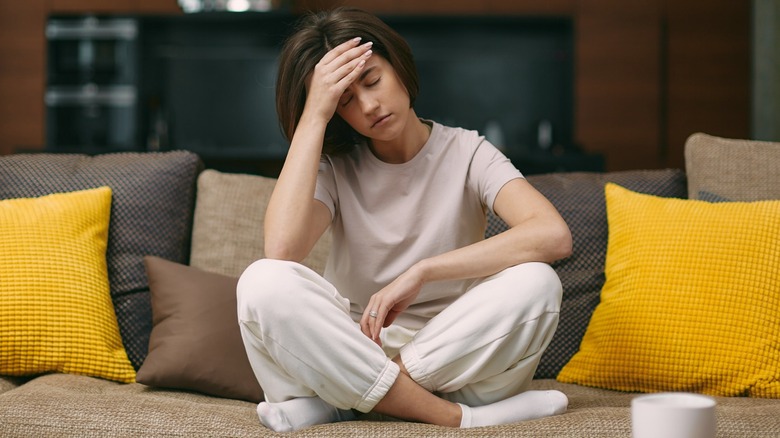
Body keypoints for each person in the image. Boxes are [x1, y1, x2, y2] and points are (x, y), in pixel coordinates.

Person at [237, 7, 573, 432]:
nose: (369, 105)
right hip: (350, 347)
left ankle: (346, 404)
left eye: (373, 80)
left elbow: (552, 235)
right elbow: (282, 251)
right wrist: (314, 115)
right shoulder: (336, 167)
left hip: (453, 358)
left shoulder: (468, 152)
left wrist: (423, 271)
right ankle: (456, 418)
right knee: (263, 280)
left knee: (538, 282)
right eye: (345, 102)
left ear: (398, 65)